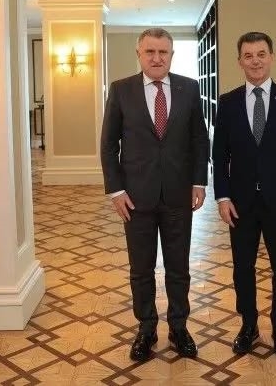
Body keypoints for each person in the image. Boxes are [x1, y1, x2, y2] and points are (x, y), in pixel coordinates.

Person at [100, 28, 209, 362]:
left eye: (163, 52)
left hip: (179, 196)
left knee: (178, 269)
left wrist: (199, 182)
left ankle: (179, 327)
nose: (157, 58)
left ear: (172, 55)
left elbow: (199, 139)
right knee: (141, 270)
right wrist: (116, 190)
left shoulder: (190, 88)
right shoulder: (121, 90)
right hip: (136, 198)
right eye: (150, 51)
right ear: (139, 54)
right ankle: (146, 329)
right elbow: (108, 145)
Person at [212, 31, 276, 357]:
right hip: (240, 204)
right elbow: (219, 155)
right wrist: (222, 197)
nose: (255, 61)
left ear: (272, 57)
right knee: (243, 267)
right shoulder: (227, 103)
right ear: (239, 61)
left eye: (261, 54)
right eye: (248, 56)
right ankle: (249, 325)